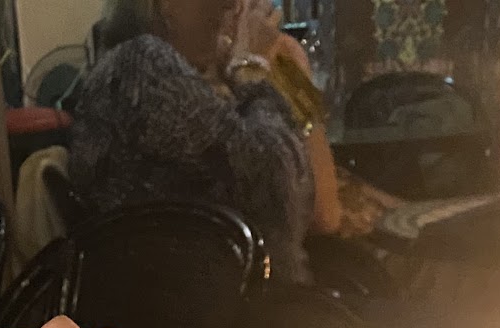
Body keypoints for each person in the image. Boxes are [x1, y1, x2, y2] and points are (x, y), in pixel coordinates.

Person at [68, 0, 319, 280]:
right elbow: (275, 180)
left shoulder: (150, 72)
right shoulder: (140, 63)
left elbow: (300, 194)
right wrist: (251, 66)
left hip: (215, 294)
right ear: (165, 5)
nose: (229, 5)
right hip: (202, 300)